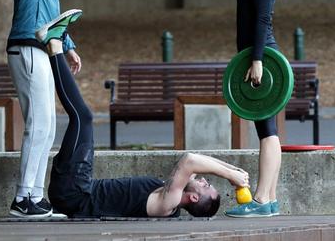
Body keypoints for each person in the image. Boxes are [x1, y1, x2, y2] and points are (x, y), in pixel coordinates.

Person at [37, 19, 250, 218]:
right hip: (77, 189)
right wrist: (233, 170)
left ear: (193, 198)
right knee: (82, 117)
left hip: (74, 193)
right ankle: (53, 45)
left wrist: (230, 176)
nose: (203, 180)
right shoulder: (172, 194)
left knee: (83, 117)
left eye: (205, 186)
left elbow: (190, 160)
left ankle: (54, 45)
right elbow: (195, 165)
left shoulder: (168, 204)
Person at [6, 0, 83, 218]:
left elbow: (52, 12)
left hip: (44, 50)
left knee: (48, 125)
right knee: (37, 124)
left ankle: (35, 197)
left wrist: (68, 45)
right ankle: (22, 198)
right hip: (27, 48)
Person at [224, 0, 291, 218]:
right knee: (268, 130)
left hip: (263, 60)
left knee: (267, 132)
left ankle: (262, 198)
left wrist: (258, 61)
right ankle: (270, 199)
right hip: (259, 57)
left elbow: (263, 20)